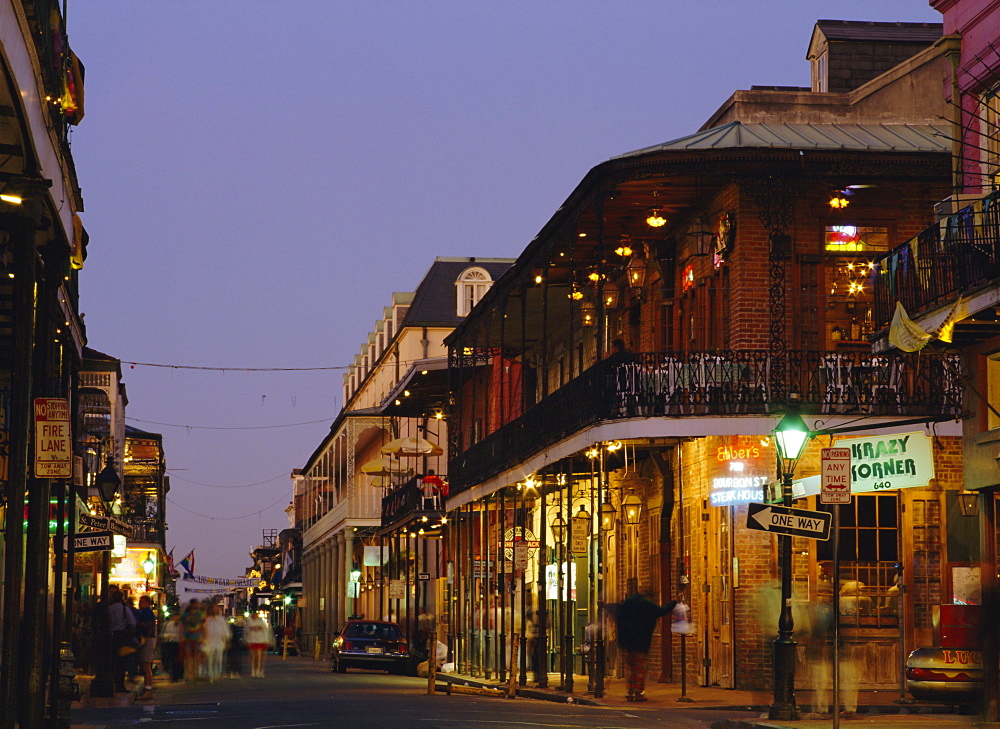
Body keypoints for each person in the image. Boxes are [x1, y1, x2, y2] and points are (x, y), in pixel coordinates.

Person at [604, 591, 676, 702]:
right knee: (639, 668)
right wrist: (674, 602)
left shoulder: (626, 606)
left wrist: (604, 604)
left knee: (630, 668)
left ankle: (630, 691)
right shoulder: (646, 605)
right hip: (641, 641)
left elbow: (614, 610)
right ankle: (638, 692)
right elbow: (661, 611)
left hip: (627, 642)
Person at [107, 588, 137, 693]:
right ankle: (119, 685)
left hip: (111, 636)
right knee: (121, 662)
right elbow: (132, 623)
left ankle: (110, 682)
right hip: (122, 636)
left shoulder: (109, 609)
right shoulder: (125, 609)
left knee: (111, 661)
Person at [135, 595, 158, 699]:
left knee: (146, 665)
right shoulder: (144, 612)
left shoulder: (147, 612)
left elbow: (150, 626)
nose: (141, 603)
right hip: (146, 639)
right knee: (145, 665)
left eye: (143, 602)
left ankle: (148, 690)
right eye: (140, 601)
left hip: (147, 640)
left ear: (148, 603)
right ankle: (147, 689)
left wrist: (145, 637)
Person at [202, 603, 230, 682]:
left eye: (217, 609)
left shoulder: (221, 620)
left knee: (218, 660)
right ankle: (210, 675)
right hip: (209, 642)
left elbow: (225, 631)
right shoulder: (206, 620)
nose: (216, 610)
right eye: (214, 609)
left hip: (219, 642)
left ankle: (217, 674)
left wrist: (226, 640)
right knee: (210, 660)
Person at [180, 599, 206, 681]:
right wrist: (181, 637)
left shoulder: (201, 614)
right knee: (189, 657)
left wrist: (204, 637)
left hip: (197, 638)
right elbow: (182, 627)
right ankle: (189, 674)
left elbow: (203, 626)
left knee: (196, 657)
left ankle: (194, 674)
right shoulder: (185, 615)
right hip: (188, 638)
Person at [244, 611, 274, 678]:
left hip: (260, 640)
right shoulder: (249, 623)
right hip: (252, 641)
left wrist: (266, 640)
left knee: (259, 656)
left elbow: (265, 632)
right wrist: (246, 640)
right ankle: (253, 671)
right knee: (253, 656)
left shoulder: (261, 622)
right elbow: (246, 632)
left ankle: (258, 670)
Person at [159, 612, 183, 682]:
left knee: (177, 660)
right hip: (170, 643)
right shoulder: (169, 624)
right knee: (172, 660)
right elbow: (164, 633)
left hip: (177, 643)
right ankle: (174, 676)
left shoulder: (181, 625)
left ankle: (177, 676)